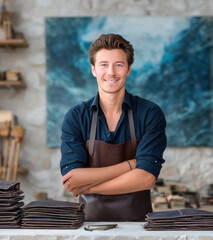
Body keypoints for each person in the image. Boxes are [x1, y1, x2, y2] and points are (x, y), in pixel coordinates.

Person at [60, 33, 167, 221]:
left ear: (128, 69)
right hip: (88, 228)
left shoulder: (150, 114)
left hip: (138, 228)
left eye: (118, 65)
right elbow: (72, 178)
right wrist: (130, 165)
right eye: (103, 65)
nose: (111, 72)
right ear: (93, 69)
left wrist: (88, 187)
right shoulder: (76, 117)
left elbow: (146, 179)